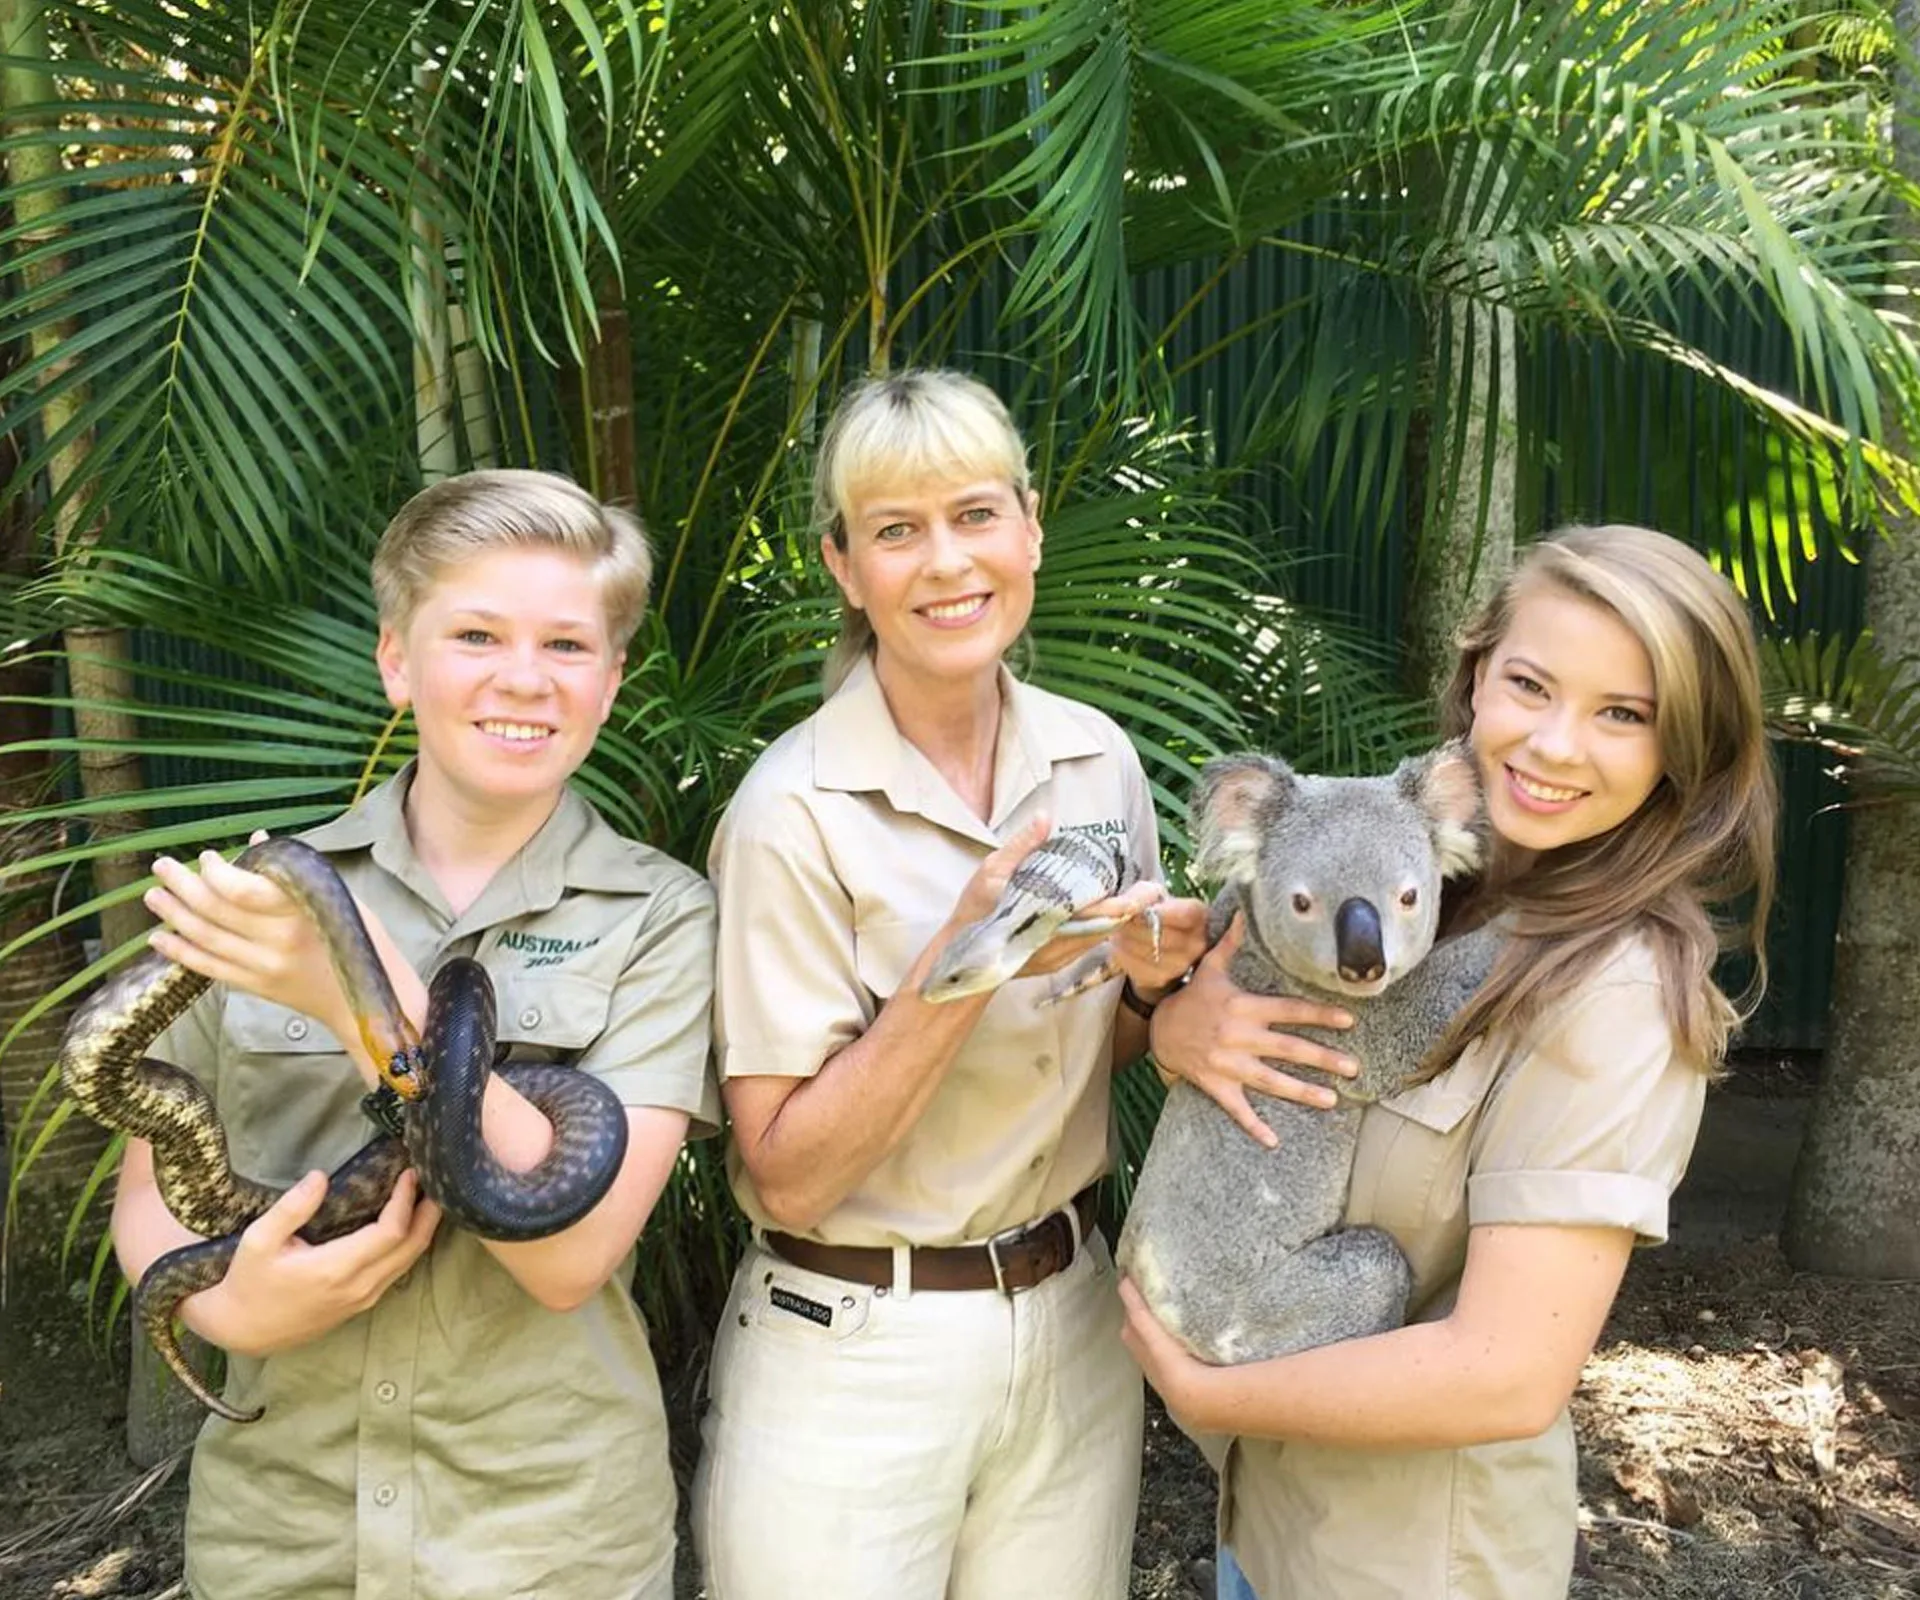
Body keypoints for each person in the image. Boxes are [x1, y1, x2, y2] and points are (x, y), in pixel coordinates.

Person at [1124, 524, 1778, 1600]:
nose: (1557, 744)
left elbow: (1507, 1373)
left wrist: (1203, 1385)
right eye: (1531, 684)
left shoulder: (1619, 989)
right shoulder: (1429, 867)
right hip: (1277, 1520)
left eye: (1625, 714)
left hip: (1415, 1560)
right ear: (1476, 679)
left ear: (1686, 751)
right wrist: (1175, 1017)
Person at [111, 469, 718, 1600]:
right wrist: (221, 1302)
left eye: (568, 645)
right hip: (284, 1535)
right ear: (398, 659)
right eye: (476, 633)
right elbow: (151, 1191)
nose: (523, 679)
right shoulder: (256, 893)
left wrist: (353, 996)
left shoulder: (664, 917)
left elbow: (570, 1255)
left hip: (548, 1542)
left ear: (614, 677)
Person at [691, 368, 1211, 1599]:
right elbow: (787, 1168)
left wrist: (1148, 989)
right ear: (843, 565)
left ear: (1030, 527)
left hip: (1077, 1319)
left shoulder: (1098, 759)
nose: (945, 562)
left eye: (975, 514)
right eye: (896, 530)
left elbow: (1084, 1046)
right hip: (858, 1346)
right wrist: (968, 960)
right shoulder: (789, 812)